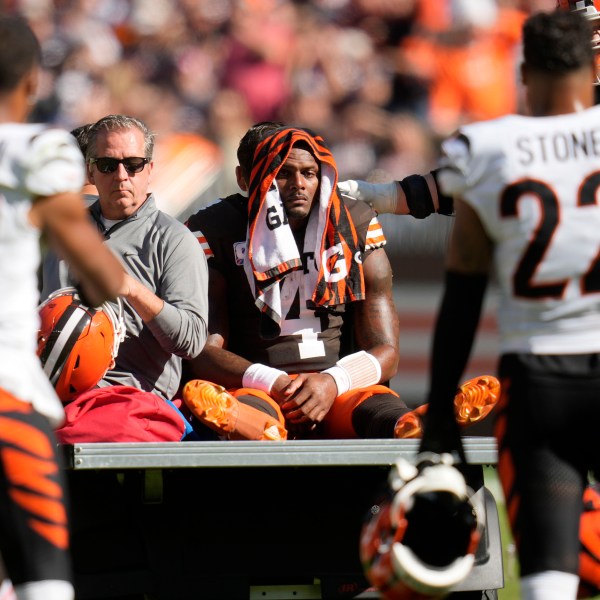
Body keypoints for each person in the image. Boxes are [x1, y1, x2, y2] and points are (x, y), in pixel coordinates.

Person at [346, 9, 600, 600]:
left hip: (540, 379)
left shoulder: (488, 148)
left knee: (550, 575)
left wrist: (438, 410)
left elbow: (462, 295)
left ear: (526, 72)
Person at [182, 123, 498, 440]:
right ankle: (257, 426)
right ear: (243, 178)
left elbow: (386, 351)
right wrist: (274, 382)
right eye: (282, 173)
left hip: (337, 388)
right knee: (248, 405)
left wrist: (332, 381)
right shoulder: (216, 228)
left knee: (375, 407)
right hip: (259, 386)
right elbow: (204, 351)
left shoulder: (353, 220)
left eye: (309, 173)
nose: (298, 185)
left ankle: (413, 424)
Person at [0, 14, 126, 600]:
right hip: (7, 399)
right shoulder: (34, 152)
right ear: (30, 81)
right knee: (43, 586)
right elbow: (100, 276)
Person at [40, 114, 209, 443]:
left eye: (133, 164)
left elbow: (191, 340)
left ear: (149, 169)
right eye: (107, 165)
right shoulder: (61, 231)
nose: (121, 176)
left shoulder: (174, 240)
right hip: (51, 392)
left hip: (127, 401)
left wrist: (132, 290)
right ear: (90, 171)